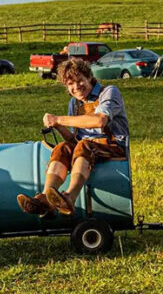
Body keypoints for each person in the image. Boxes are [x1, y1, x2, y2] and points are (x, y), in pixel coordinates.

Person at [18, 58, 129, 216]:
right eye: (70, 84)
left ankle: (70, 197)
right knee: (62, 147)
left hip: (113, 146)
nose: (76, 87)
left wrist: (59, 119)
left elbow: (99, 120)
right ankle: (46, 199)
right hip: (86, 148)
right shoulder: (74, 103)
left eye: (79, 80)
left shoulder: (109, 92)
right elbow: (73, 141)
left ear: (89, 77)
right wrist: (58, 126)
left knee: (84, 145)